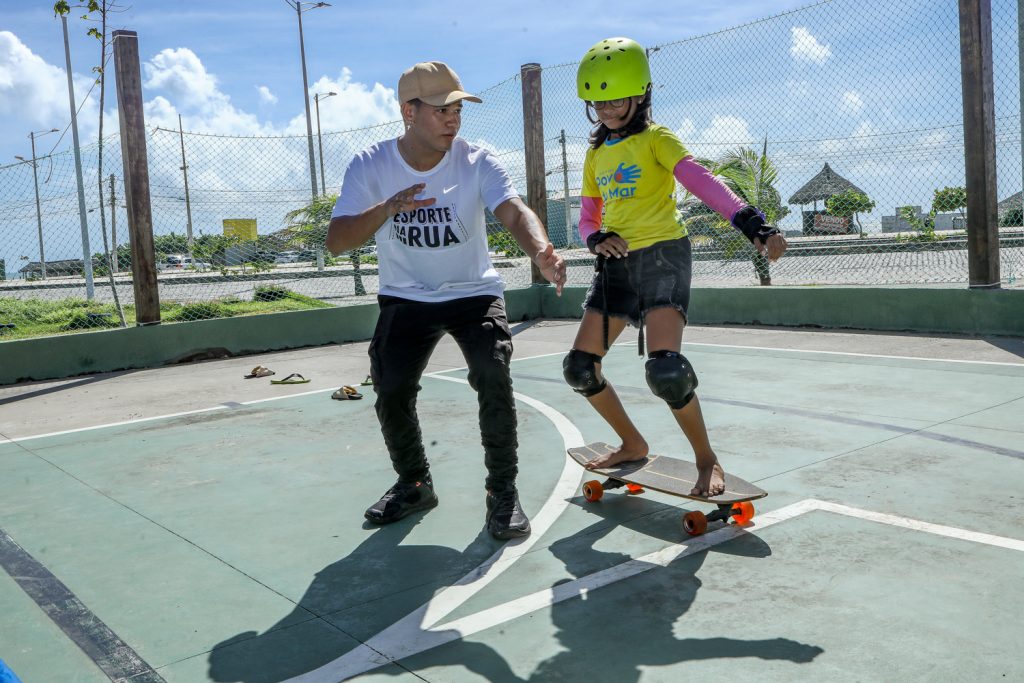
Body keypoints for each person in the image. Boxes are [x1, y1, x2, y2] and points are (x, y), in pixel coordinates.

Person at [326, 60, 566, 539]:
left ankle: (502, 493)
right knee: (390, 387)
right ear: (408, 112)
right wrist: (388, 207)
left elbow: (514, 210)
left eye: (457, 108)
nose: (453, 119)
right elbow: (337, 240)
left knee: (491, 371)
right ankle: (414, 484)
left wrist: (540, 249)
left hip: (472, 292)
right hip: (405, 295)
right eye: (440, 110)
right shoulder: (371, 164)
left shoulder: (477, 161)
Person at [562, 37, 787, 497]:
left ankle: (707, 459)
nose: (605, 108)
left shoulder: (657, 139)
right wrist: (595, 238)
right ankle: (632, 442)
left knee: (666, 370)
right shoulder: (596, 153)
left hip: (664, 256)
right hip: (617, 265)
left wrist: (754, 226)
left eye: (615, 98)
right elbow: (588, 216)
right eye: (597, 101)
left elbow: (702, 182)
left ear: (640, 93)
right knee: (581, 368)